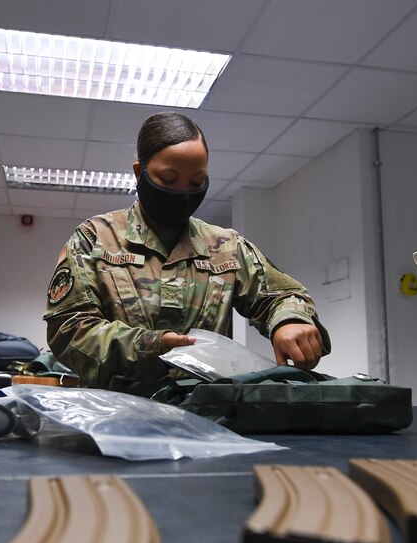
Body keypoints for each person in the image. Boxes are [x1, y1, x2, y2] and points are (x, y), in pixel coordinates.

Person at [43, 112, 330, 395]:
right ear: (139, 172)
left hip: (208, 419)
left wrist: (290, 320)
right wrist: (152, 346)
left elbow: (283, 295)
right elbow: (69, 331)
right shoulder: (95, 238)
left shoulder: (225, 245)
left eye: (196, 183)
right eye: (168, 180)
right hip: (117, 418)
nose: (183, 193)